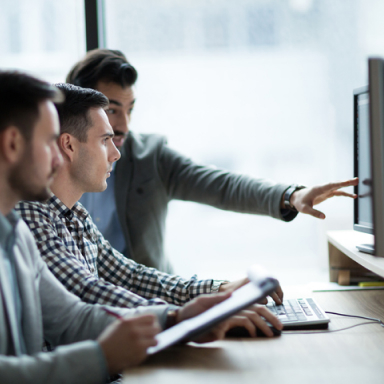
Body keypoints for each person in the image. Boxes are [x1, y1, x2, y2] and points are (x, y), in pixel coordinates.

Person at [0, 71, 281, 384]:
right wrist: (106, 355)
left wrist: (181, 313)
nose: (57, 159)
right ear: (13, 144)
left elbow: (76, 313)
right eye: (48, 143)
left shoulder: (19, 231)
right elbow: (86, 293)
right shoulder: (29, 219)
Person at [67, 49, 358, 273]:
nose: (125, 126)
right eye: (112, 111)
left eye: (130, 109)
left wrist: (291, 195)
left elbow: (222, 185)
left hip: (152, 304)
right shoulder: (51, 171)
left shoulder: (149, 157)